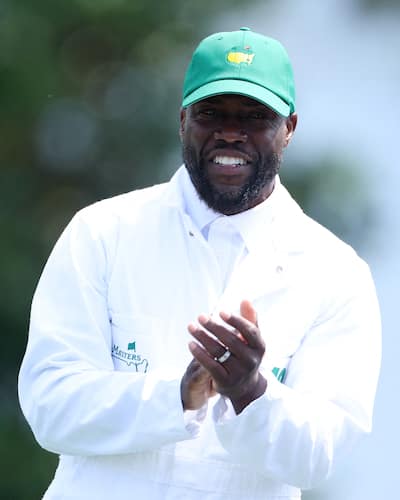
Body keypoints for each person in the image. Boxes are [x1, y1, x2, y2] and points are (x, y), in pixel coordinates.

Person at [18, 27, 381, 500]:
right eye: (211, 113)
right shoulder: (104, 232)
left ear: (289, 128)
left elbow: (319, 455)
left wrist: (250, 391)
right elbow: (51, 407)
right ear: (182, 120)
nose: (230, 132)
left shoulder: (335, 272)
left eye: (255, 116)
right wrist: (177, 396)